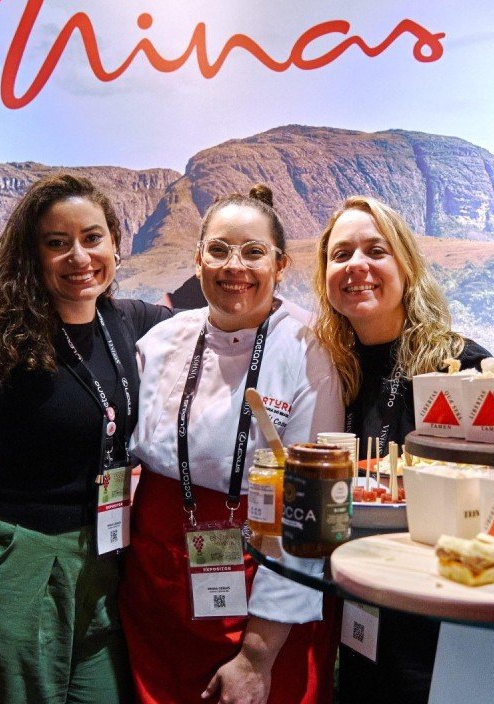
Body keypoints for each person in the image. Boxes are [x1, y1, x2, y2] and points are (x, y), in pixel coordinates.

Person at [0, 174, 171, 704]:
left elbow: (225, 318)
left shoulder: (127, 322)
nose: (79, 256)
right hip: (17, 567)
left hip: (104, 569)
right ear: (32, 254)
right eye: (56, 243)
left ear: (114, 241)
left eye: (92, 238)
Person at [120, 185, 344, 704]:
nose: (233, 266)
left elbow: (309, 515)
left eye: (253, 252)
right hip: (155, 596)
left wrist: (257, 657)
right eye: (218, 249)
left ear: (281, 263)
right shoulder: (162, 341)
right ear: (198, 258)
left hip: (266, 600)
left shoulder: (309, 351)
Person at [312, 195, 492, 704]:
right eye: (341, 254)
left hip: (436, 612)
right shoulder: (331, 368)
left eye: (376, 250)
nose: (357, 267)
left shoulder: (461, 369)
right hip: (358, 600)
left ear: (407, 265)